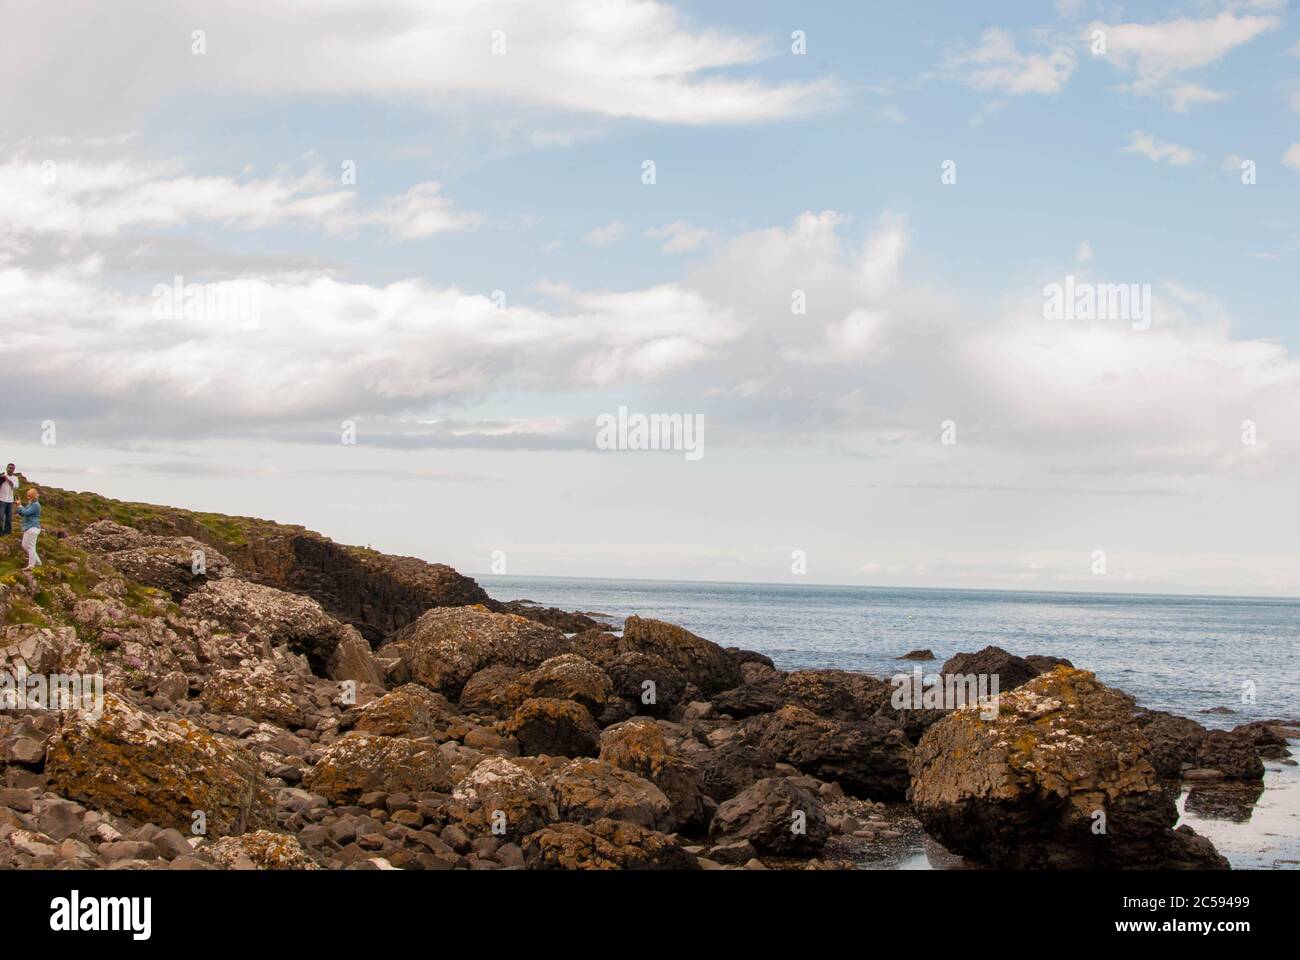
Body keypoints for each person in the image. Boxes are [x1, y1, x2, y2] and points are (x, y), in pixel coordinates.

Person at [16, 487, 40, 569]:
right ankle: (37, 562)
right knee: (25, 546)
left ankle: (31, 565)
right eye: (28, 496)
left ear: (34, 496)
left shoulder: (36, 505)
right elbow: (22, 512)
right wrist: (19, 506)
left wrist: (20, 506)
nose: (28, 497)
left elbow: (26, 512)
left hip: (32, 527)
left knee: (30, 547)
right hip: (28, 527)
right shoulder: (31, 504)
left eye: (30, 496)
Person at [0, 464, 16, 535]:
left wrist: (7, 479)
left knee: (9, 518)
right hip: (1, 499)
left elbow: (14, 486)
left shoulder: (15, 478)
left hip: (10, 500)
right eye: (9, 468)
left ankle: (7, 532)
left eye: (12, 468)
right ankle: (0, 532)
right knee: (0, 517)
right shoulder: (1, 477)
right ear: (6, 468)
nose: (11, 469)